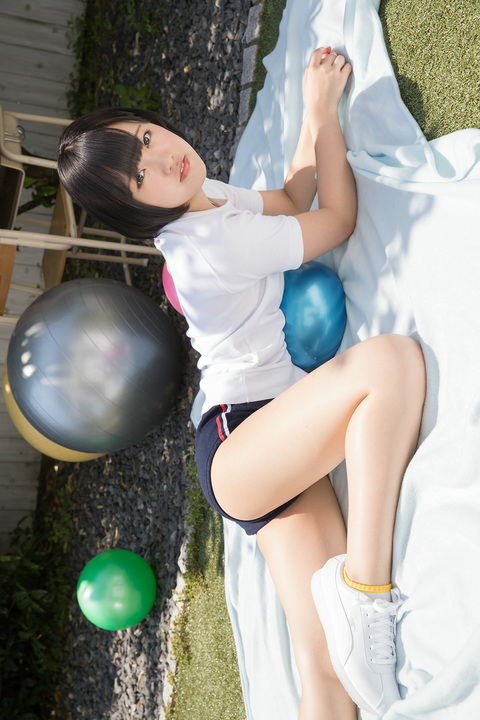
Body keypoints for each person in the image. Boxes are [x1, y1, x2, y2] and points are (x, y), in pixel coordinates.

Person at [58, 47, 426, 719]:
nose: (163, 159)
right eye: (140, 176)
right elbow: (337, 220)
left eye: (147, 138)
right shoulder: (212, 243)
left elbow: (288, 201)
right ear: (137, 212)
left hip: (262, 439)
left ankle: (356, 612)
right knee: (392, 364)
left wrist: (314, 111)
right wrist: (326, 118)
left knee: (327, 677)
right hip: (242, 436)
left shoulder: (200, 201)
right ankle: (366, 592)